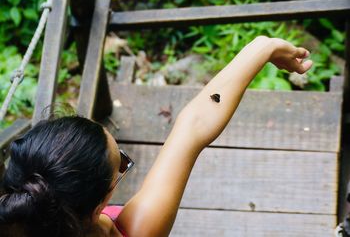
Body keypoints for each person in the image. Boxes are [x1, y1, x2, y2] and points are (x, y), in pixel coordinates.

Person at [0, 36, 312, 237]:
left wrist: (262, 47)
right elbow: (193, 126)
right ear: (98, 209)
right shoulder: (135, 231)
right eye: (121, 165)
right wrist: (262, 47)